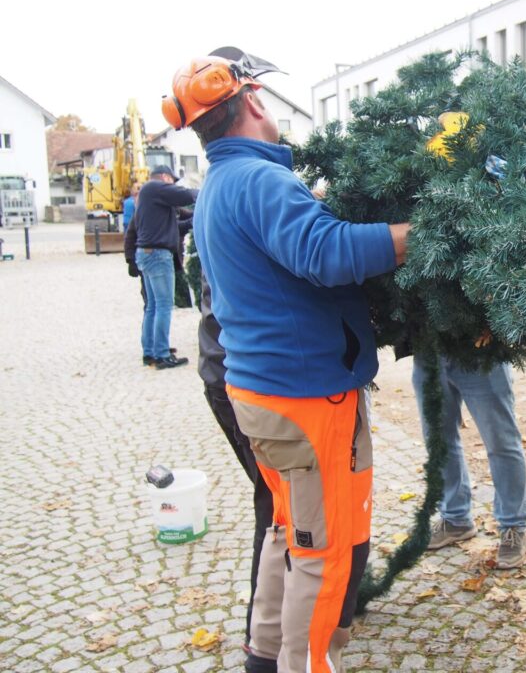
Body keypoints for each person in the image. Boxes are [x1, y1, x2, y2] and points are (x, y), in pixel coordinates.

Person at [165, 47, 410, 673]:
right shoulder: (259, 179)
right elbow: (326, 253)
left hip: (264, 397)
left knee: (288, 533)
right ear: (251, 101)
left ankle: (266, 656)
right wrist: (418, 233)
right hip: (305, 400)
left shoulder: (224, 181)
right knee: (322, 552)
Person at [198, 270, 273, 653]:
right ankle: (261, 640)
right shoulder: (247, 209)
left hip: (225, 373)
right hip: (239, 381)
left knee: (283, 503)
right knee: (276, 506)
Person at [412, 355, 526, 568]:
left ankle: (513, 527)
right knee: (438, 440)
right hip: (429, 353)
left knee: (501, 443)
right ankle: (456, 519)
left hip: (481, 353)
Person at [133, 164, 198, 369]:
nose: (173, 186)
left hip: (148, 253)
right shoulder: (153, 187)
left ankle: (150, 351)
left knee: (152, 306)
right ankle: (161, 354)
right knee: (163, 305)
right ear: (164, 177)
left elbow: (172, 227)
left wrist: (192, 222)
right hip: (158, 255)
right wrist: (207, 192)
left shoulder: (148, 196)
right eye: (172, 181)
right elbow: (185, 195)